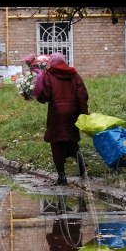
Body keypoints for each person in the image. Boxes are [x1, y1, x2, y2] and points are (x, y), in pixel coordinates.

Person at [36, 53, 89, 185]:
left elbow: (46, 95)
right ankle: (79, 160)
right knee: (71, 138)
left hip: (57, 113)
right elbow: (82, 95)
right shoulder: (74, 75)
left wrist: (37, 94)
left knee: (57, 142)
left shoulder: (49, 76)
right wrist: (84, 113)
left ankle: (62, 176)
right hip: (73, 112)